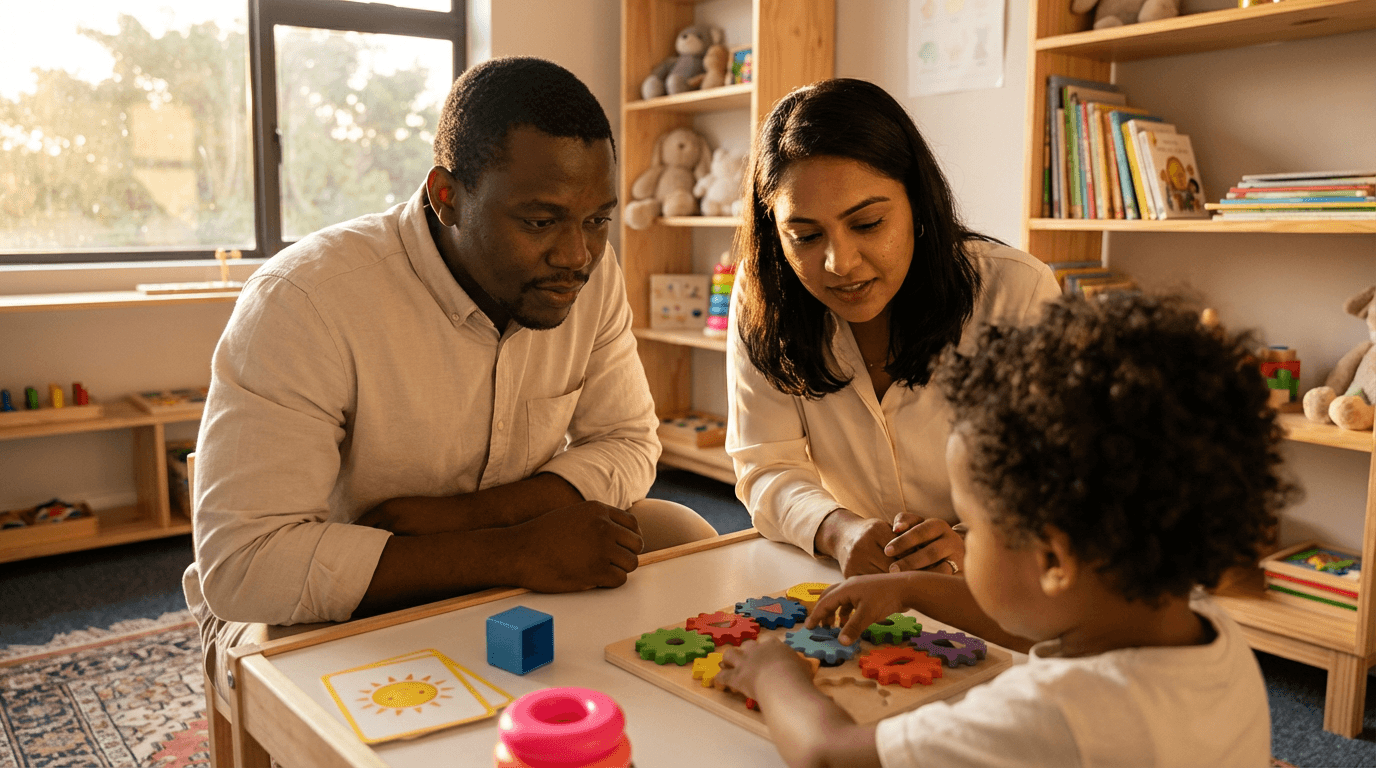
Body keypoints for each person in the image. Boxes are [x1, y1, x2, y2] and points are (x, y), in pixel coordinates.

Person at [182, 57, 717, 695]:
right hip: (312, 596)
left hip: (495, 543)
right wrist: (512, 551)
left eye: (597, 220)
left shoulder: (589, 278)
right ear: (447, 197)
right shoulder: (303, 299)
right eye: (540, 222)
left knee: (682, 535)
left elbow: (630, 441)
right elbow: (246, 566)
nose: (577, 256)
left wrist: (474, 520)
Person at [715, 292, 1292, 768]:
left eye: (977, 525)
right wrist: (913, 589)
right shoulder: (1203, 628)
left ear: (1053, 560)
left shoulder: (1052, 714)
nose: (964, 535)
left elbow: (827, 755)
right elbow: (1040, 618)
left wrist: (776, 677)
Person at [726, 78, 1059, 579]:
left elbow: (1051, 473)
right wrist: (836, 529)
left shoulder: (1017, 291)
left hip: (997, 582)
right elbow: (765, 465)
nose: (840, 263)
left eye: (867, 224)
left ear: (918, 206)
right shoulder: (765, 296)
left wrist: (977, 541)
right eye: (806, 236)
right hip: (851, 577)